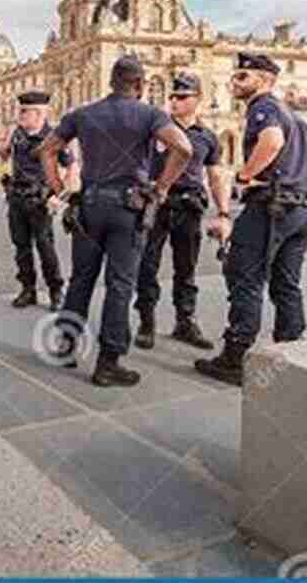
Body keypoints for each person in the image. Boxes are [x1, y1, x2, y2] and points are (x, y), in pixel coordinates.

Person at [37, 55, 192, 388]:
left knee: (81, 279)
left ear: (111, 82)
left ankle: (65, 345)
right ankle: (108, 362)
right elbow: (184, 148)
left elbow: (46, 151)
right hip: (128, 208)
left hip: (89, 206)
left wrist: (60, 189)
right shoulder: (149, 114)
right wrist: (162, 188)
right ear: (139, 84)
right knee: (120, 284)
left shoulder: (83, 113)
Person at [195, 53, 307, 387]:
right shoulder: (294, 116)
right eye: (235, 76)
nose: (235, 82)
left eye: (243, 77)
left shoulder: (264, 109)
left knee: (245, 276)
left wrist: (245, 175)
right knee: (286, 283)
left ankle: (235, 359)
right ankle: (292, 353)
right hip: (300, 211)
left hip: (270, 208)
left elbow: (272, 141)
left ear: (264, 81)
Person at [133, 73, 230, 351]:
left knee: (186, 269)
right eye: (172, 96)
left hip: (189, 206)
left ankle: (185, 321)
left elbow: (215, 176)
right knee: (147, 265)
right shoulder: (156, 131)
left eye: (182, 96)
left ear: (198, 99)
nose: (174, 101)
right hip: (157, 205)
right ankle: (146, 322)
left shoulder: (206, 137)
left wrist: (223, 212)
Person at [0, 90, 75, 311]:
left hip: (41, 201)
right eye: (20, 110)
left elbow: (71, 166)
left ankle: (55, 290)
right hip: (17, 198)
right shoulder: (17, 133)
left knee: (45, 247)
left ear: (39, 113)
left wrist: (60, 197)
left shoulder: (55, 136)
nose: (19, 115)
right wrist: (1, 145)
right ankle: (27, 289)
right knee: (21, 247)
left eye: (24, 111)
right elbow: (4, 155)